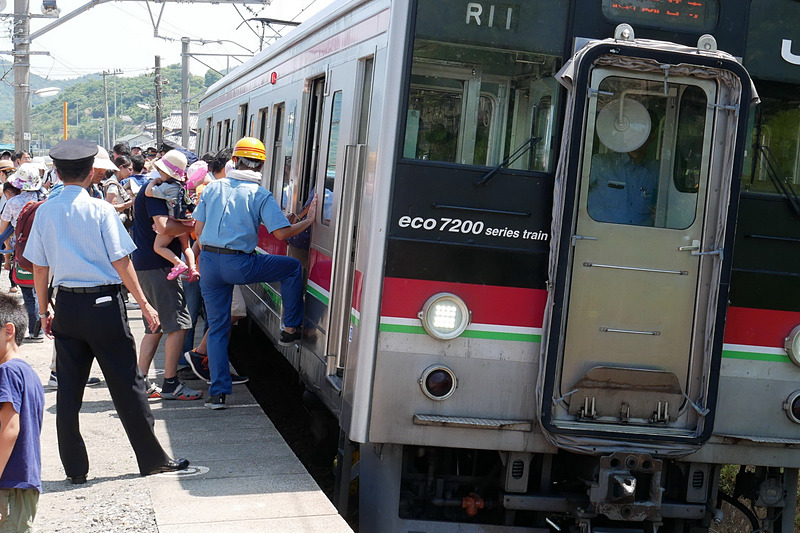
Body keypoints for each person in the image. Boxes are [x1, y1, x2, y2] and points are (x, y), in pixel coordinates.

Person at [24, 139, 190, 483]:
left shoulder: (45, 211)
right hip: (104, 305)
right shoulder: (99, 210)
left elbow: (40, 268)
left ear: (56, 172)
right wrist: (144, 303)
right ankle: (152, 459)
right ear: (90, 174)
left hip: (66, 303)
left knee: (69, 392)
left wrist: (43, 312)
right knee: (127, 384)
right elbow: (121, 260)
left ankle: (75, 469)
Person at [194, 137, 316, 409]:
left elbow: (197, 232)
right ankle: (289, 328)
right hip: (239, 264)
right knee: (292, 267)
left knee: (217, 327)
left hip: (210, 263)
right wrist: (308, 221)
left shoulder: (212, 189)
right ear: (261, 164)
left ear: (234, 161)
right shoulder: (260, 194)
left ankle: (219, 394)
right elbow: (282, 234)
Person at [131, 150, 203, 402]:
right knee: (180, 324)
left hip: (147, 264)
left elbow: (179, 236)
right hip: (158, 267)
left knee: (156, 325)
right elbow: (163, 226)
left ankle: (140, 382)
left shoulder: (162, 191)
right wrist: (193, 225)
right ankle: (171, 384)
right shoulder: (158, 193)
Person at [0, 293, 44, 532]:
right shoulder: (27, 372)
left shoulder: (7, 372)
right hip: (19, 483)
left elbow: (10, 430)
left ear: (9, 331)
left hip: (8, 484)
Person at [143, 150, 198, 282]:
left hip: (173, 222)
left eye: (161, 171)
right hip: (185, 221)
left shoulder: (166, 187)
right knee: (186, 247)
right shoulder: (182, 186)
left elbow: (148, 192)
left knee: (159, 247)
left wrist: (154, 181)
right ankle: (193, 268)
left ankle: (178, 263)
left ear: (166, 172)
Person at [587, 136, 659, 227]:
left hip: (641, 237)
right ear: (624, 136)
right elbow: (576, 192)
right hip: (602, 234)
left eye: (640, 134)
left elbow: (664, 205)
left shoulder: (656, 170)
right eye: (632, 134)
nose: (635, 139)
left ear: (649, 138)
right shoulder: (602, 163)